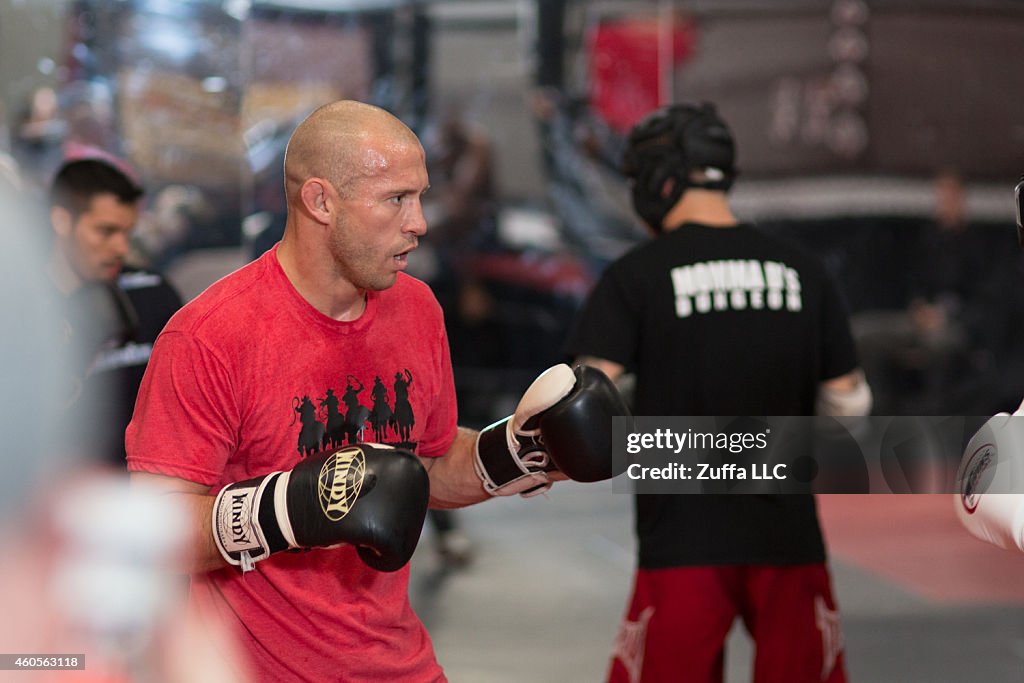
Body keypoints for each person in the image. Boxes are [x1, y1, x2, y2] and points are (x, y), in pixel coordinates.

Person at [125, 100, 627, 681]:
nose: (419, 221)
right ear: (320, 202)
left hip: (400, 663)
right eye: (396, 199)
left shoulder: (415, 309)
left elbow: (428, 466)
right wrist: (287, 509)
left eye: (419, 196)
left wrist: (519, 452)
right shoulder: (211, 337)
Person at [564, 102, 872, 683]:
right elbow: (850, 406)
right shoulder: (803, 270)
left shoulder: (638, 275)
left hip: (682, 536)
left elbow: (582, 408)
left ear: (661, 178)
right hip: (787, 534)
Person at [47, 157, 183, 466]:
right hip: (59, 489)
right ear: (61, 221)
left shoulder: (152, 292)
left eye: (127, 233)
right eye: (106, 231)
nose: (120, 248)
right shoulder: (25, 310)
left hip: (146, 483)